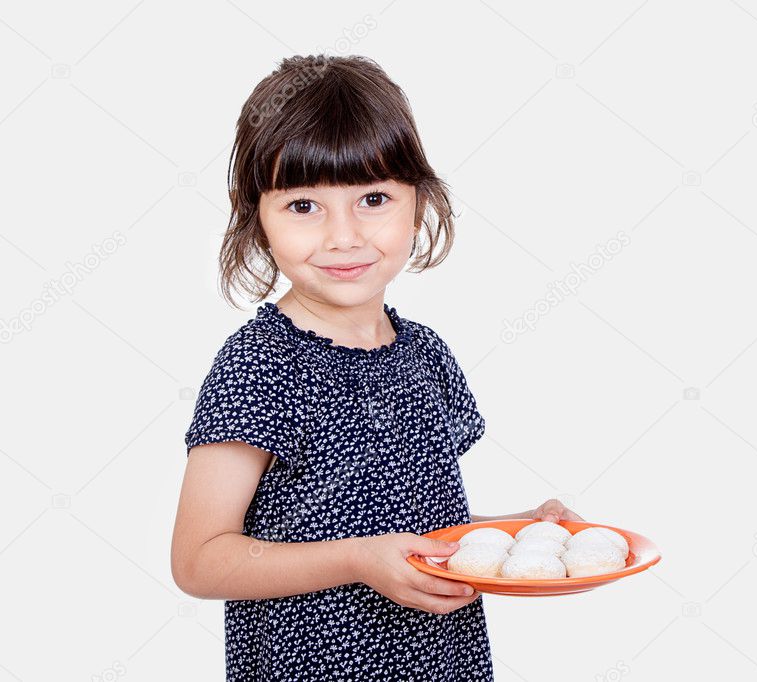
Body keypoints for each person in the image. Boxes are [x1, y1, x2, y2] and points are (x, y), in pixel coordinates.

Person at [169, 54, 583, 681]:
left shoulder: (426, 355)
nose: (343, 236)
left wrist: (518, 535)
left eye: (373, 198)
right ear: (258, 216)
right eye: (304, 205)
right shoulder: (258, 364)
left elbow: (419, 530)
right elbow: (200, 560)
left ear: (420, 203)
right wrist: (359, 561)